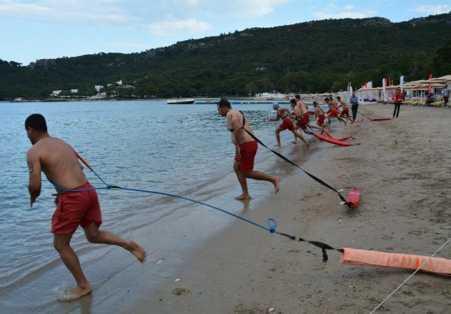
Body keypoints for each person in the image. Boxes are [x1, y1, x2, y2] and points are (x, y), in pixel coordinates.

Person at [25, 114, 145, 302]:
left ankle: (83, 285)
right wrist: (66, 192)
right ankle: (129, 245)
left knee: (60, 244)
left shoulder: (34, 151)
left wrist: (32, 198)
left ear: (30, 130)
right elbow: (78, 170)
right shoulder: (63, 143)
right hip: (88, 191)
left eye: (27, 132)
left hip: (74, 197)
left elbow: (35, 186)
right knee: (93, 235)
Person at [217, 98, 280, 201]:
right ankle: (245, 193)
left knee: (246, 172)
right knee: (237, 168)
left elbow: (238, 130)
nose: (218, 113)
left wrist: (238, 149)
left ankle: (273, 179)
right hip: (247, 144)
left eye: (218, 110)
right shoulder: (236, 112)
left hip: (246, 145)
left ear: (223, 107)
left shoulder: (230, 114)